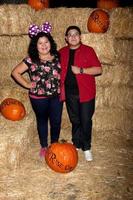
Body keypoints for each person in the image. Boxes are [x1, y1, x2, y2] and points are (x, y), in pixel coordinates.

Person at [11, 22, 63, 158]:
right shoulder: (30, 60)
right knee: (42, 121)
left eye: (46, 42)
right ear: (36, 45)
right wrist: (27, 84)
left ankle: (54, 145)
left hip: (56, 96)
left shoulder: (58, 57)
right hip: (38, 98)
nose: (44, 45)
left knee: (56, 121)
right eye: (40, 43)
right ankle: (44, 146)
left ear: (50, 43)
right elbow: (15, 72)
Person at [59, 25, 102, 161]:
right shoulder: (62, 52)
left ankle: (87, 147)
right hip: (70, 93)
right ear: (66, 38)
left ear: (80, 37)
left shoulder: (88, 51)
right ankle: (76, 143)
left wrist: (82, 70)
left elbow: (98, 70)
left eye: (75, 34)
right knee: (75, 120)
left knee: (85, 120)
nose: (73, 36)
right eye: (70, 34)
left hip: (86, 93)